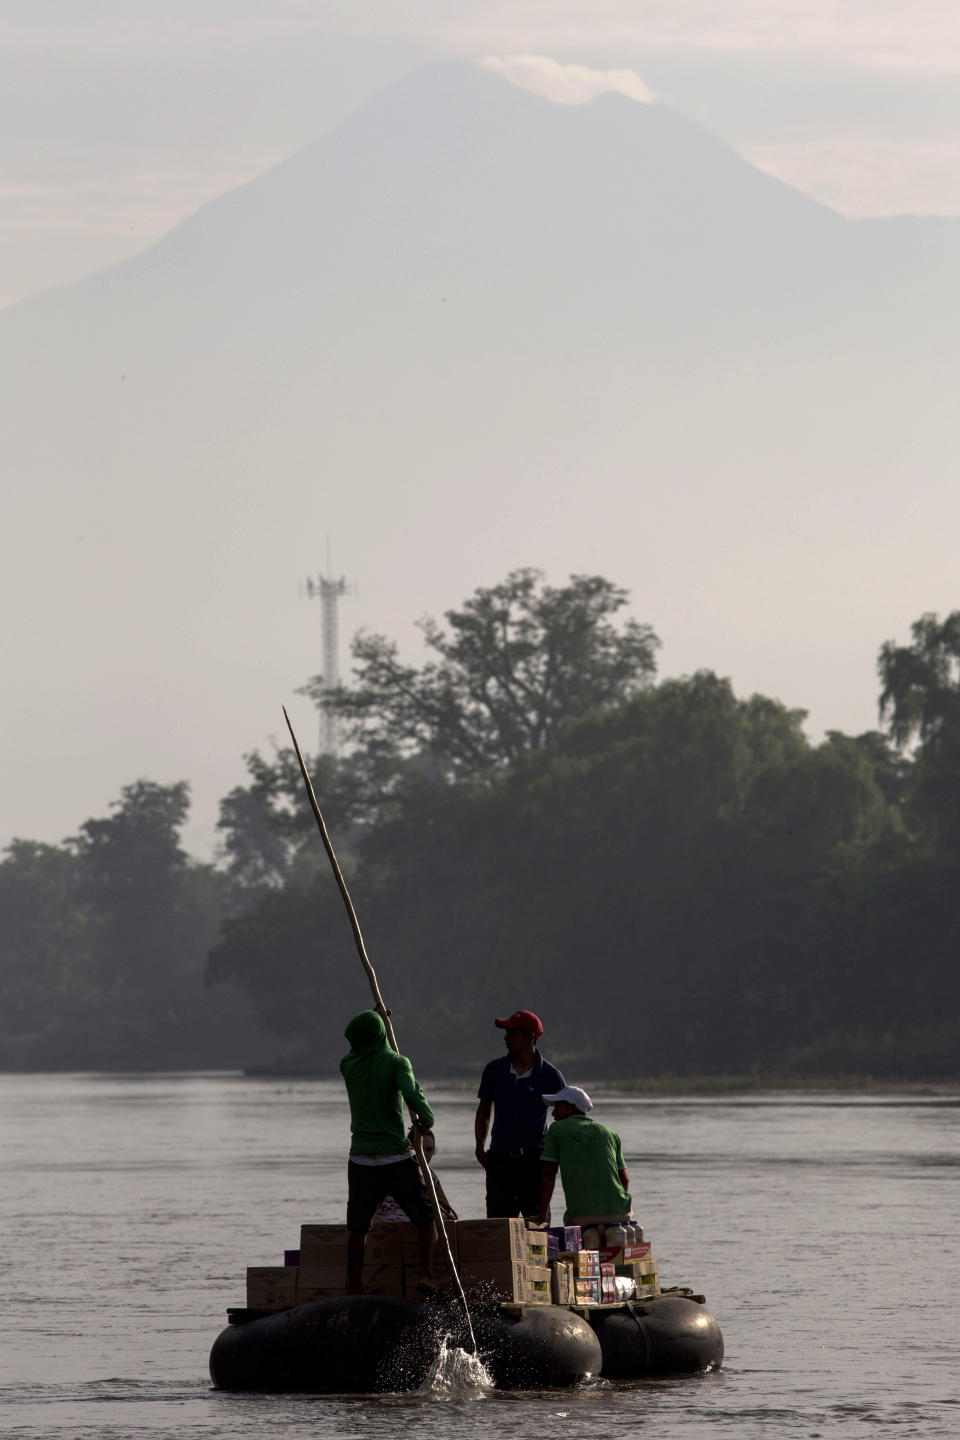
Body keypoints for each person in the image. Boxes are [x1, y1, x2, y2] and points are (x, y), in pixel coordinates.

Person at [340, 1009, 437, 1293]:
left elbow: (370, 1041)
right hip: (395, 1156)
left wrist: (377, 1018)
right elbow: (412, 1093)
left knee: (358, 1228)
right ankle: (427, 1273)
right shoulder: (396, 1062)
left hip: (360, 1159)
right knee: (425, 1217)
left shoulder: (347, 1065)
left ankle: (354, 1285)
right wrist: (426, 1119)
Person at [474, 1009, 565, 1218]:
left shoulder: (549, 1075)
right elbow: (484, 1110)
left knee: (537, 1225)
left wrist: (557, 1154)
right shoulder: (494, 1070)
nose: (506, 1038)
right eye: (506, 1033)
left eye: (512, 1033)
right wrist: (480, 1148)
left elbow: (566, 1113)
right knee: (499, 1225)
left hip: (535, 1161)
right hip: (500, 1159)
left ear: (530, 1037)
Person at [533, 1085, 632, 1228]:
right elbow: (624, 1179)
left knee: (569, 1222)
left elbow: (548, 1175)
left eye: (558, 1107)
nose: (553, 1114)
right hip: (620, 1213)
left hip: (582, 1215)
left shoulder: (557, 1129)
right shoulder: (609, 1132)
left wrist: (542, 1216)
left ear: (572, 1108)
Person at [372, 1129, 458, 1224]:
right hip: (391, 1229)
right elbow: (370, 1210)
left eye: (429, 1149)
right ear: (408, 1149)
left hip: (422, 1230)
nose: (424, 1154)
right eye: (419, 1149)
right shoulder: (390, 1172)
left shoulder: (431, 1176)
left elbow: (447, 1211)